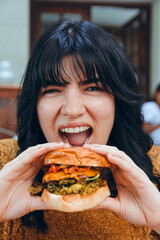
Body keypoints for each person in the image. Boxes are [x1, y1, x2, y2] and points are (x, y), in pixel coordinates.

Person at [0, 19, 160, 240]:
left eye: (93, 87)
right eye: (53, 89)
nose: (72, 110)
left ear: (117, 101)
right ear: (34, 104)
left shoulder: (155, 166)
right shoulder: (4, 164)